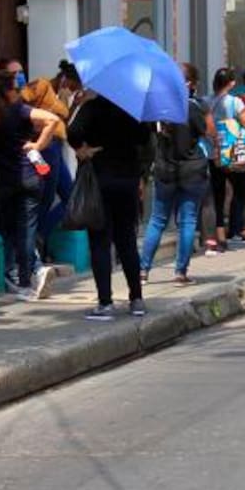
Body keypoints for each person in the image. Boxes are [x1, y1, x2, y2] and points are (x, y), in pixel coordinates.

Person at [0, 70, 62, 301]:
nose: (19, 92)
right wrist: (38, 145)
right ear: (8, 91)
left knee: (11, 230)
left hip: (1, 182)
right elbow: (53, 120)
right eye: (15, 88)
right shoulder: (18, 110)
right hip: (29, 177)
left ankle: (18, 273)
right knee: (27, 230)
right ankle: (28, 278)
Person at [67, 90, 153, 320]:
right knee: (127, 240)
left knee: (100, 241)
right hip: (128, 179)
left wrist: (82, 149)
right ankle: (136, 299)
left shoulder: (92, 107)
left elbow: (73, 131)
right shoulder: (132, 108)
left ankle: (105, 302)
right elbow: (145, 137)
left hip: (100, 178)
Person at [140, 63, 211, 285]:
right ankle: (180, 272)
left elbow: (149, 134)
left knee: (157, 220)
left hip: (165, 170)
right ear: (189, 84)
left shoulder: (158, 108)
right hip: (191, 170)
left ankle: (143, 271)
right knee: (187, 221)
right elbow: (205, 131)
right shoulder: (192, 107)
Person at [207, 68, 245, 252]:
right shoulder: (235, 102)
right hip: (234, 155)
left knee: (217, 196)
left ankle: (220, 238)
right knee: (244, 194)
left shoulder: (206, 101)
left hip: (214, 154)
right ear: (231, 83)